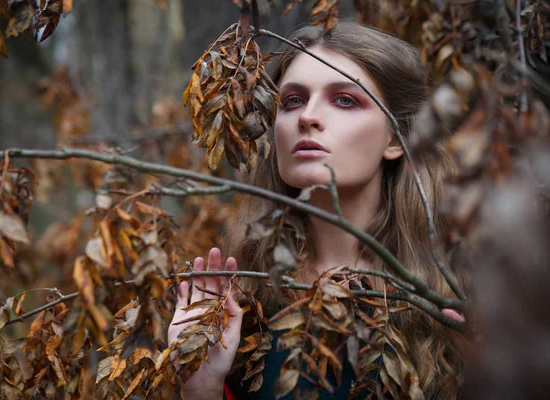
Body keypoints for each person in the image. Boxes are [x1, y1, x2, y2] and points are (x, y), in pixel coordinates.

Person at [169, 20, 468, 400]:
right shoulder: (240, 304)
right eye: (292, 100)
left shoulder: (458, 290)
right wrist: (201, 386)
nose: (306, 117)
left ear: (396, 139)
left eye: (345, 100)